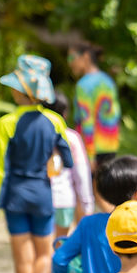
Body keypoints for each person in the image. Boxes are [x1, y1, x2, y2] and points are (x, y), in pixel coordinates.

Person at [0, 54, 73, 273]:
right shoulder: (56, 122)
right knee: (44, 254)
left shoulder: (7, 123)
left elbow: (1, 171)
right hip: (43, 196)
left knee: (23, 260)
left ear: (20, 90)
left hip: (15, 198)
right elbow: (67, 162)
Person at [45, 92, 95, 237]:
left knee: (41, 248)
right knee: (58, 246)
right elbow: (81, 174)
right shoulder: (72, 138)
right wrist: (87, 204)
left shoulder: (35, 134)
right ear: (65, 113)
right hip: (63, 199)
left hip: (39, 198)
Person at [68, 42, 120, 167]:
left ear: (85, 57)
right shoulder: (108, 80)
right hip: (110, 145)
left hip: (91, 149)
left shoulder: (84, 85)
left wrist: (90, 156)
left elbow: (87, 120)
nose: (69, 63)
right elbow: (115, 114)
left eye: (71, 58)